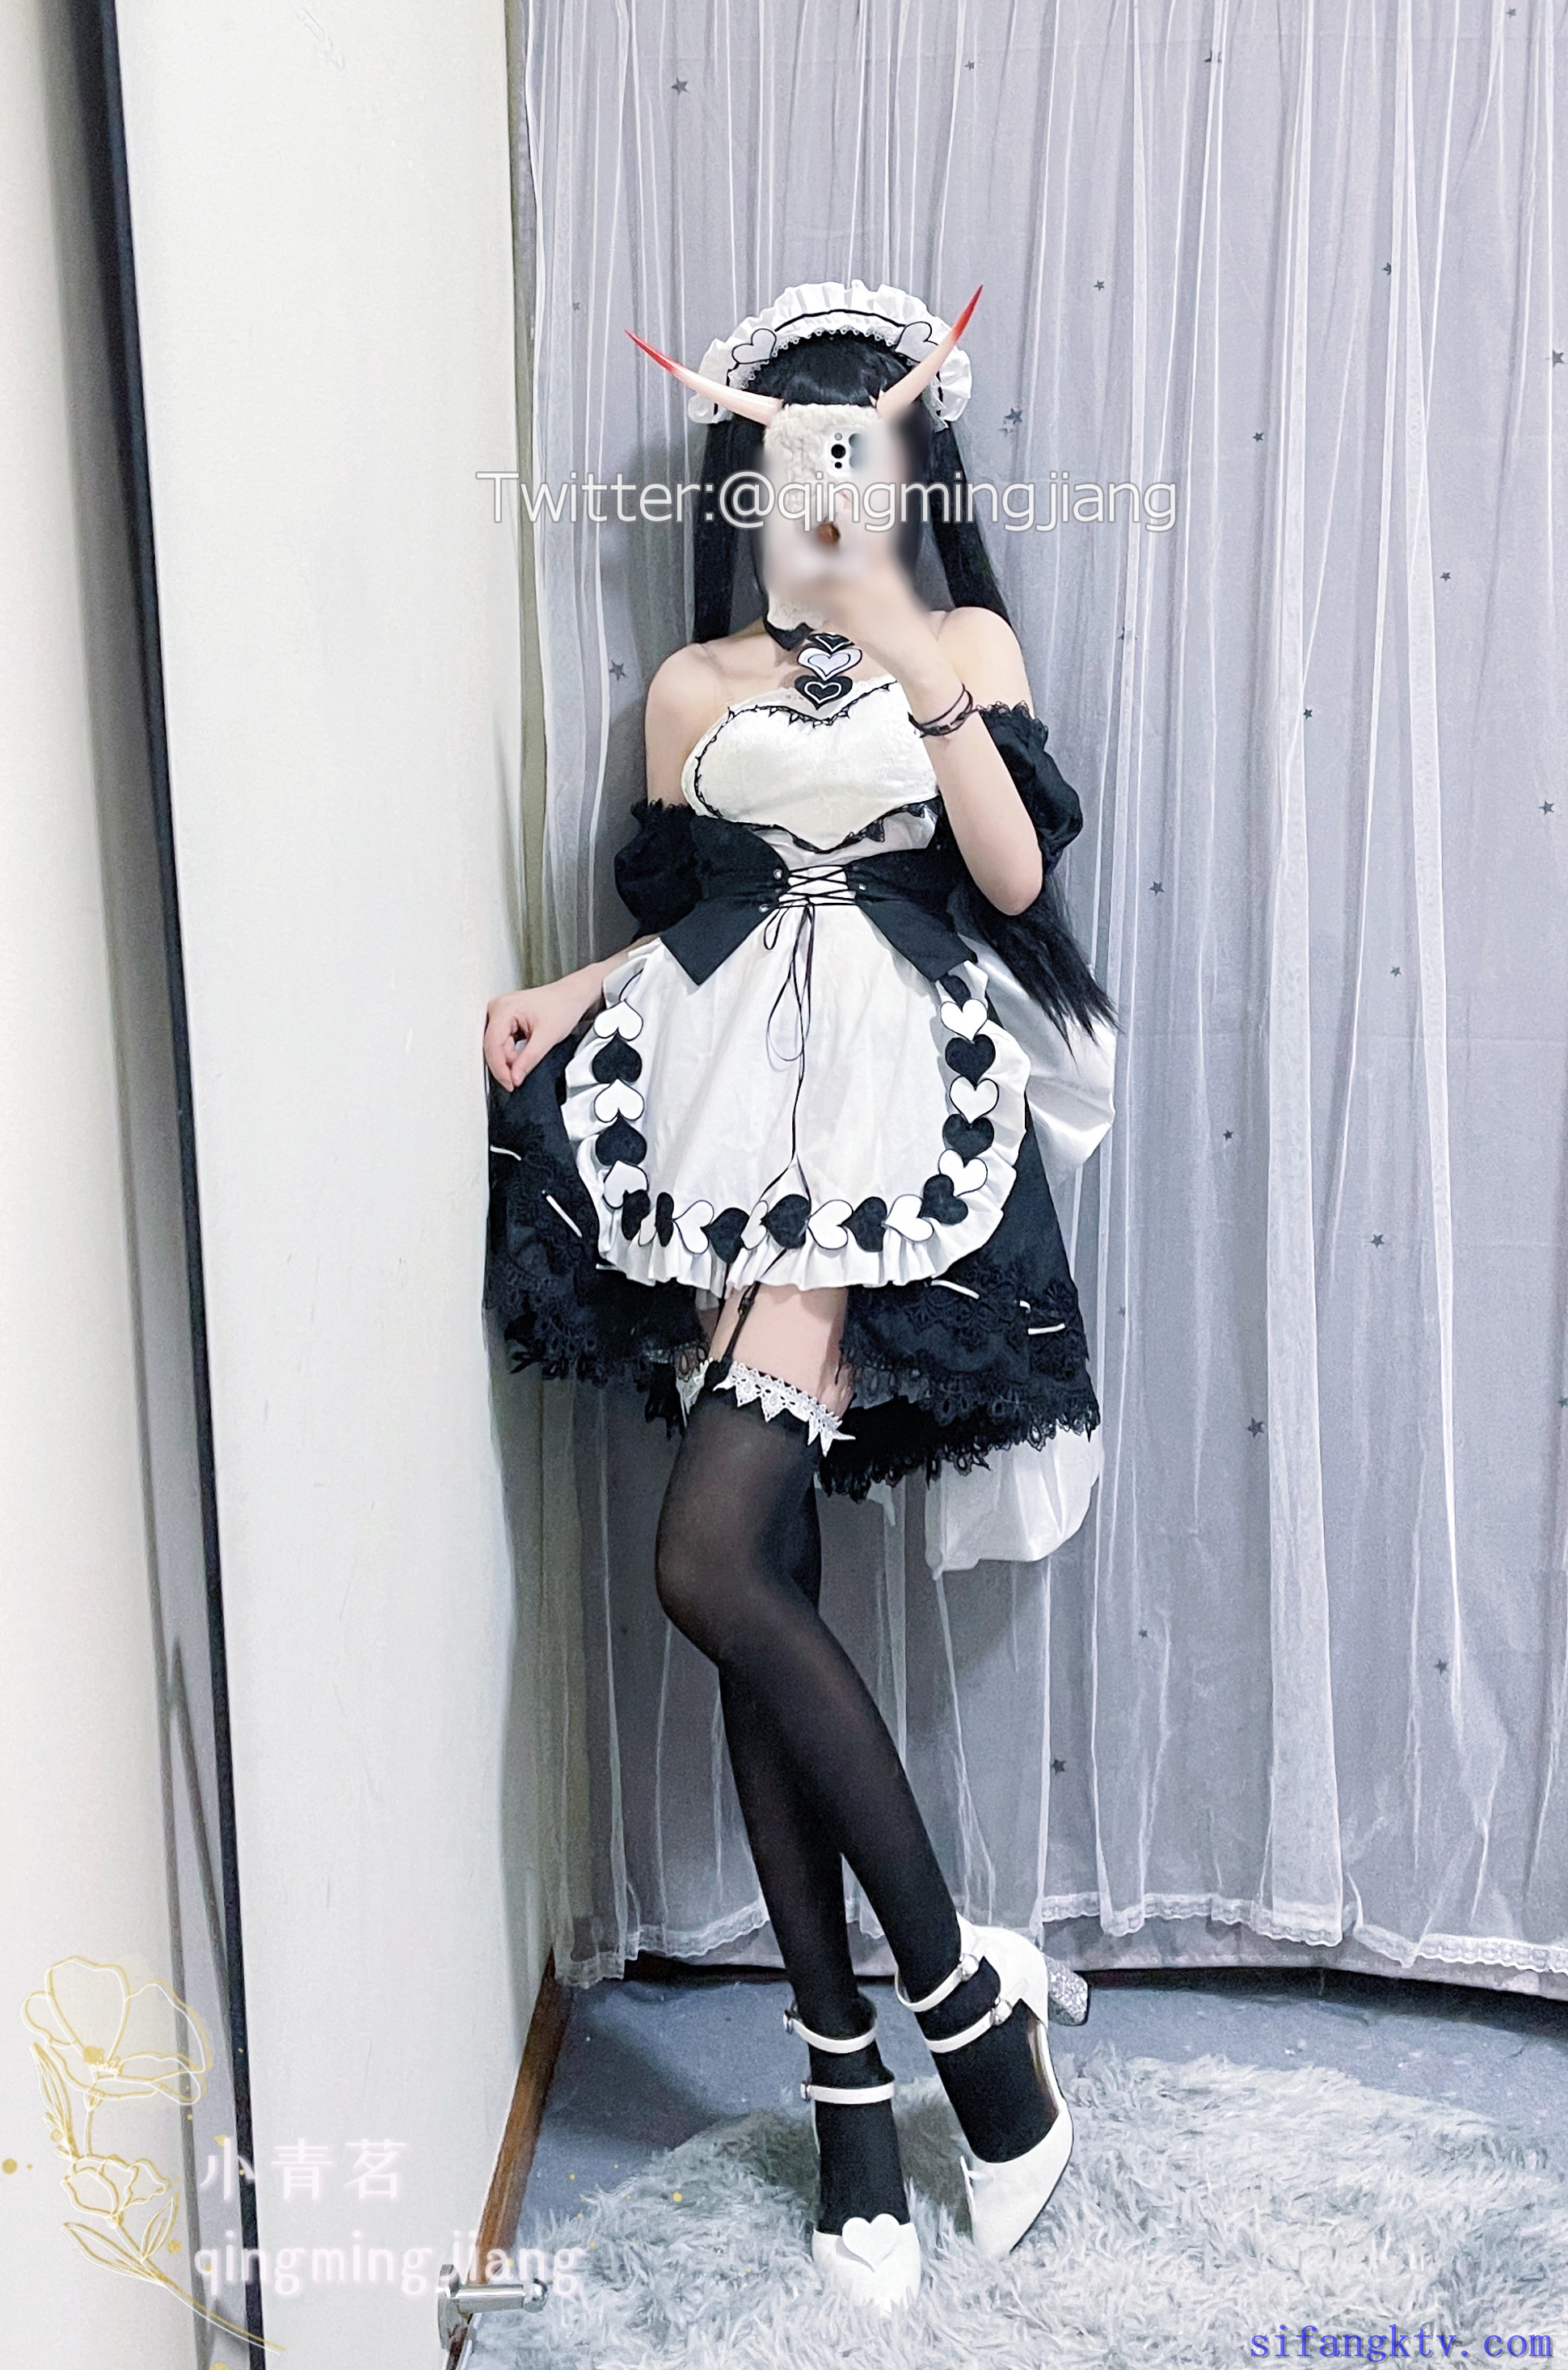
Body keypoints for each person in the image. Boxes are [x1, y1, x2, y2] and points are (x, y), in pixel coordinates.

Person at [483, 280, 1117, 2314]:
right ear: (743, 488)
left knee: (704, 1558)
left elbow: (1006, 883)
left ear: (909, 477)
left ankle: (960, 2031)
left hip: (883, 1123)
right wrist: (568, 990)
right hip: (715, 1128)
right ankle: (862, 2088)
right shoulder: (691, 687)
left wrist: (915, 657)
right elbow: (711, 923)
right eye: (788, 467)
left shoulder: (965, 649)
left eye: (861, 460)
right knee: (755, 1585)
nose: (823, 496)